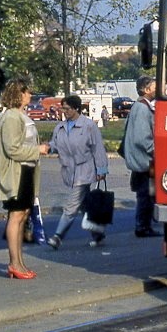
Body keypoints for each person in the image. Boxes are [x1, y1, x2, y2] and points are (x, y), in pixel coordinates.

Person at [0, 77, 50, 279]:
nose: (30, 95)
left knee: (23, 214)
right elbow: (12, 149)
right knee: (16, 215)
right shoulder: (11, 117)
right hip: (16, 173)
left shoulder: (20, 115)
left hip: (26, 171)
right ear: (18, 94)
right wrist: (38, 150)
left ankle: (19, 262)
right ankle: (14, 263)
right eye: (27, 92)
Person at [46, 95, 108, 249]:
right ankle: (98, 234)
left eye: (67, 108)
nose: (64, 111)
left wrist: (101, 169)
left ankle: (58, 236)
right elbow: (55, 144)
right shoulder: (60, 127)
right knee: (85, 204)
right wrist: (47, 148)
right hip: (69, 170)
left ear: (76, 109)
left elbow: (98, 148)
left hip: (84, 170)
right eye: (63, 108)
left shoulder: (88, 126)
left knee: (72, 205)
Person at [123, 75, 160, 238]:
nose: (157, 90)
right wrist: (155, 151)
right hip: (145, 161)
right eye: (154, 87)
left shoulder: (139, 107)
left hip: (141, 160)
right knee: (146, 194)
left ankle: (145, 224)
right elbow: (142, 138)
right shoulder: (143, 109)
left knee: (147, 194)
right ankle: (143, 226)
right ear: (146, 89)